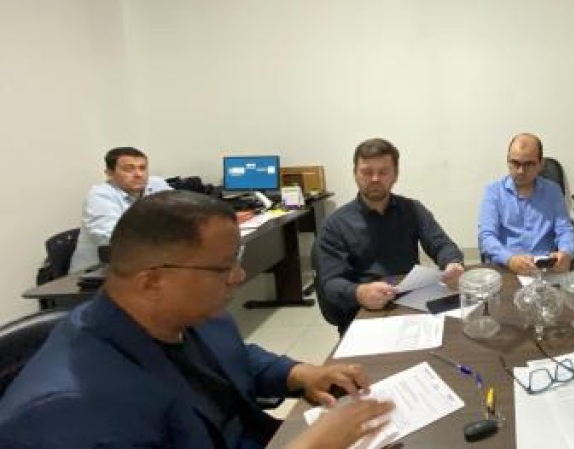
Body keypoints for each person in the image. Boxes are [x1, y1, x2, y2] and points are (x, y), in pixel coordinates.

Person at [0, 190, 394, 449]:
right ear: (152, 281)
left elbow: (234, 356)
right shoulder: (67, 413)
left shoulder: (185, 313)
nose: (239, 276)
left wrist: (299, 373)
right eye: (223, 267)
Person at [315, 138, 464, 331]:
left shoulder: (412, 209)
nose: (375, 178)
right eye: (367, 172)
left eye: (383, 172)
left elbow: (441, 244)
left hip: (410, 304)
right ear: (355, 174)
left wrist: (452, 263)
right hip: (363, 312)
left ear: (395, 175)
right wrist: (359, 292)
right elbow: (330, 283)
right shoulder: (335, 225)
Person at [478, 133, 574, 275]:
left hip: (546, 269)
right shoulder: (494, 191)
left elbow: (565, 230)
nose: (520, 171)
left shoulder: (553, 191)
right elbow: (486, 237)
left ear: (540, 164)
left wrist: (566, 253)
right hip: (507, 268)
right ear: (507, 160)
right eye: (515, 163)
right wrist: (509, 259)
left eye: (528, 164)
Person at [69, 146, 173, 273]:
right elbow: (114, 237)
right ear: (110, 173)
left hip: (149, 264)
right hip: (98, 272)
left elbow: (181, 215)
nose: (138, 174)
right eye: (129, 169)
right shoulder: (100, 195)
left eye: (142, 168)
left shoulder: (157, 185)